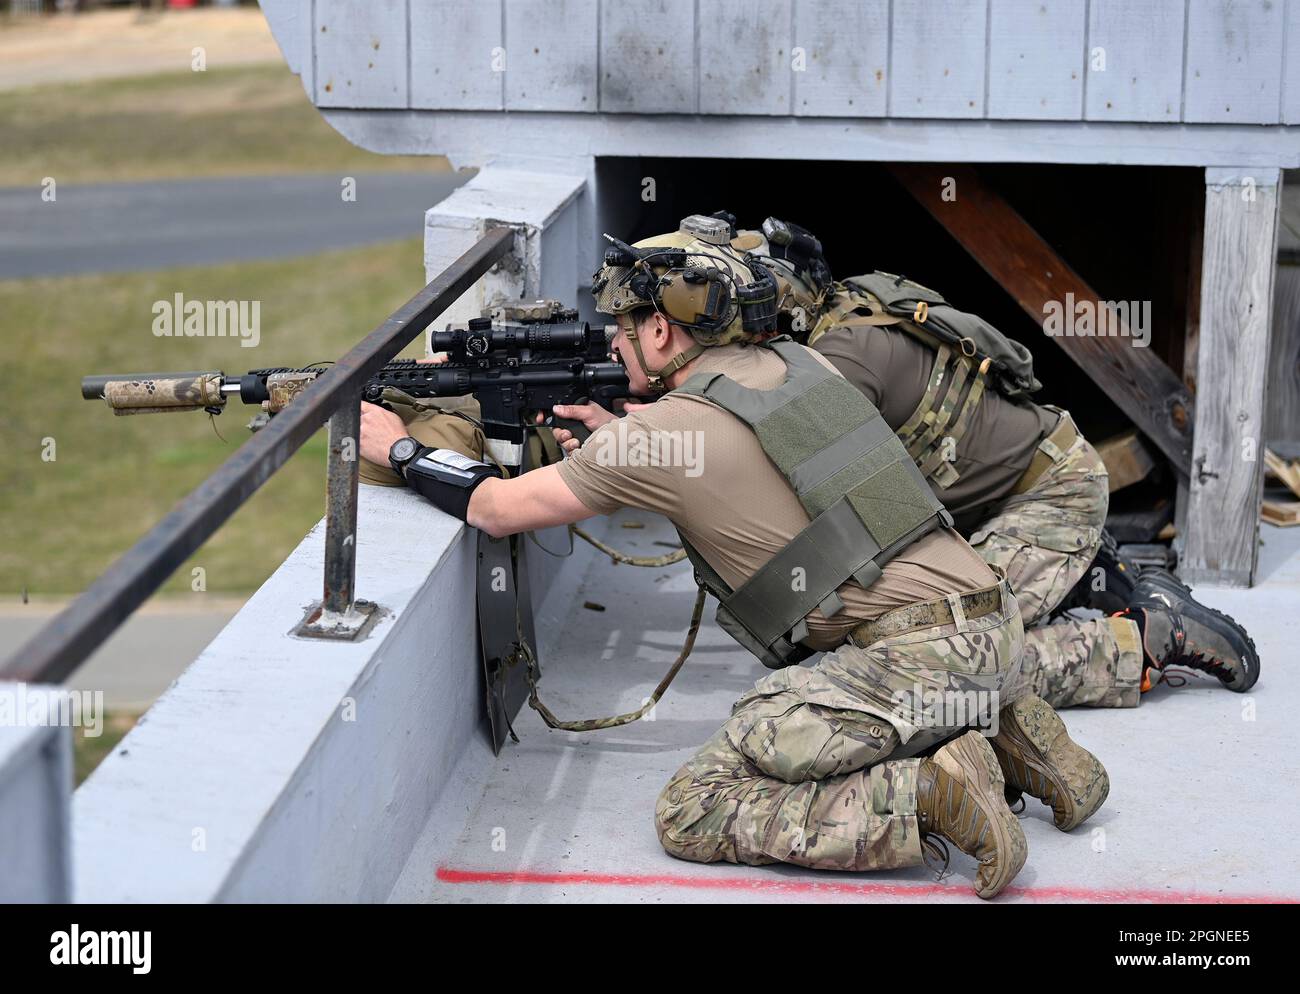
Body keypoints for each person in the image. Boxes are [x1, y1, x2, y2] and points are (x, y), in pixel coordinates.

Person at [359, 217, 1109, 898]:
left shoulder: (650, 438)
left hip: (916, 658)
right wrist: (621, 445)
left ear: (660, 331)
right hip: (995, 626)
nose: (614, 344)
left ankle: (932, 795)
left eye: (623, 326)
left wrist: (394, 447)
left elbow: (495, 506)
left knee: (695, 805)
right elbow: (743, 466)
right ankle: (1019, 738)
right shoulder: (800, 365)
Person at [741, 218, 1259, 709]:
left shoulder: (841, 363)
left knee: (938, 661)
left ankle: (1146, 638)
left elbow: (838, 520)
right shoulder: (846, 315)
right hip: (1002, 494)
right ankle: (1076, 574)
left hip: (1049, 494)